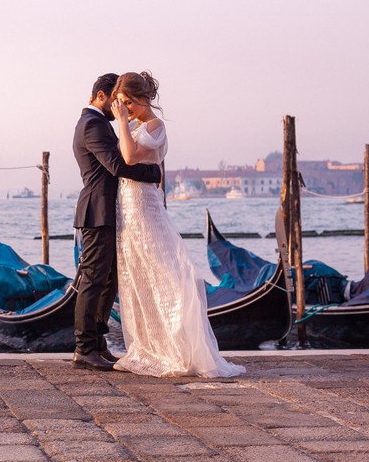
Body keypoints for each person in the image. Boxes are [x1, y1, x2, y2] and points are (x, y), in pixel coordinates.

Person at [110, 71, 244, 378]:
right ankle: (149, 347)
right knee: (137, 277)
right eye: (120, 103)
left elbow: (129, 158)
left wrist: (121, 122)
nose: (124, 108)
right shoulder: (131, 125)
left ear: (142, 99)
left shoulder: (155, 126)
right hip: (127, 209)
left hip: (146, 209)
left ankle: (179, 349)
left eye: (127, 102)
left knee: (166, 275)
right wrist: (123, 122)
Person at [72, 73, 163, 370]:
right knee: (93, 280)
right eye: (116, 102)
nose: (119, 108)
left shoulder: (97, 124)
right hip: (98, 212)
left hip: (111, 212)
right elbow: (116, 165)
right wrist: (153, 175)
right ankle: (84, 348)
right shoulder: (92, 125)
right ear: (101, 97)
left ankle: (98, 343)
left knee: (109, 281)